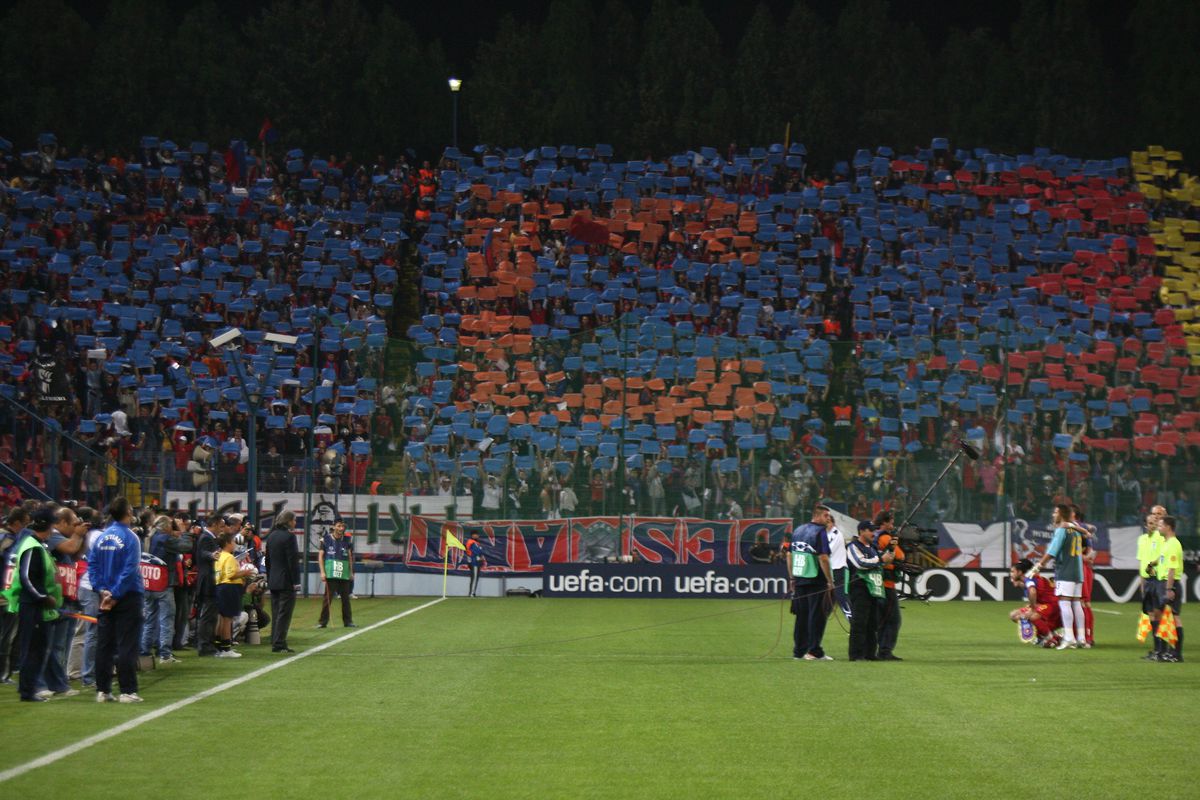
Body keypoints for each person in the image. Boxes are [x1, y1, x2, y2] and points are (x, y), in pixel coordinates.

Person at [2, 506, 62, 701]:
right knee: (32, 649)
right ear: (47, 526)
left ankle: (29, 688)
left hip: (36, 605)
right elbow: (27, 577)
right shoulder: (32, 546)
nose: (53, 530)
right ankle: (27, 691)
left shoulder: (36, 544)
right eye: (52, 526)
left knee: (36, 648)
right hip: (32, 606)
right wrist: (43, 597)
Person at [89, 497, 145, 703]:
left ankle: (103, 690)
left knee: (105, 644)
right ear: (128, 512)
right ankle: (127, 690)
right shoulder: (131, 538)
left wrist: (102, 590)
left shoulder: (101, 537)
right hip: (127, 596)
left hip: (105, 597)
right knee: (126, 645)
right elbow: (130, 570)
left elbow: (92, 565)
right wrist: (116, 594)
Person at [1032, 504, 1086, 650]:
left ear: (1061, 514)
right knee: (1076, 603)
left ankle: (1069, 638)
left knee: (1064, 602)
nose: (1053, 515)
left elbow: (1052, 551)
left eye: (1055, 512)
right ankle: (1081, 638)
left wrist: (1038, 566)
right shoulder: (1074, 529)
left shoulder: (1062, 529)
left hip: (1066, 571)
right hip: (1078, 571)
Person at [788, 504, 835, 661]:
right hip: (816, 579)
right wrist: (830, 580)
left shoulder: (798, 530)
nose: (828, 519)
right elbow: (823, 558)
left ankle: (799, 651)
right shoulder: (820, 532)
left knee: (801, 617)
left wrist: (792, 577)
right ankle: (814, 651)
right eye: (826, 516)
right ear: (818, 515)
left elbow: (789, 555)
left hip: (800, 577)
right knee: (817, 616)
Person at [142, 515, 185, 664]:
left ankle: (144, 651)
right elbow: (185, 546)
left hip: (148, 582)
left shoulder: (149, 537)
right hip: (163, 583)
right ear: (167, 527)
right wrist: (182, 531)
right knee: (166, 618)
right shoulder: (165, 539)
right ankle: (165, 654)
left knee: (149, 619)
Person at [846, 520, 891, 661]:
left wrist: (888, 557)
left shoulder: (873, 547)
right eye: (871, 530)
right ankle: (856, 654)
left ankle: (870, 653)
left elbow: (879, 564)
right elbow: (860, 563)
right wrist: (880, 560)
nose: (874, 533)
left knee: (872, 623)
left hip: (873, 588)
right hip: (859, 588)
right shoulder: (853, 546)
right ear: (861, 531)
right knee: (859, 622)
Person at [0, 507, 32, 686]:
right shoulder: (9, 540)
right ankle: (3, 674)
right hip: (7, 594)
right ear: (18, 523)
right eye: (26, 523)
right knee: (7, 636)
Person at [213, 531, 254, 657]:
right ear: (227, 543)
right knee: (227, 619)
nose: (234, 544)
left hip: (220, 587)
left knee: (221, 618)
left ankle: (219, 646)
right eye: (233, 542)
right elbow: (231, 575)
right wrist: (245, 572)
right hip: (229, 588)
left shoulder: (219, 556)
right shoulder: (229, 557)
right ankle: (226, 648)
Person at [265, 510, 300, 653]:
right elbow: (292, 561)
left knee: (276, 612)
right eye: (294, 520)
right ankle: (279, 643)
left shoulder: (271, 536)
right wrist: (296, 581)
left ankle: (276, 640)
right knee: (284, 613)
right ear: (289, 521)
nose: (295, 523)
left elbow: (267, 560)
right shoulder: (289, 537)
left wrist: (269, 577)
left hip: (274, 579)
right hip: (286, 580)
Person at [872, 510, 905, 661]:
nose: (892, 525)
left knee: (879, 619)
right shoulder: (885, 537)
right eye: (891, 522)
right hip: (887, 583)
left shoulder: (873, 536)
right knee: (893, 619)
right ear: (884, 522)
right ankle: (885, 651)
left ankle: (875, 649)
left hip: (874, 583)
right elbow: (900, 556)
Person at [1009, 558, 1062, 647]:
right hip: (1045, 605)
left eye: (1012, 571)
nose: (1010, 574)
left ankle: (1049, 638)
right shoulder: (1028, 579)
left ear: (1020, 572)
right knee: (1014, 615)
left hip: (1053, 606)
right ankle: (1048, 634)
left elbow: (1032, 591)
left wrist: (1033, 609)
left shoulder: (1029, 579)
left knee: (1031, 615)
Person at [1154, 515, 1185, 662]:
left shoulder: (1173, 544)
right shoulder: (1167, 543)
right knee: (1168, 619)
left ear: (1168, 527)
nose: (1158, 527)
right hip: (1165, 583)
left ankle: (1177, 654)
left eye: (1160, 525)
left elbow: (1172, 569)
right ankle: (1170, 651)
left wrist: (1169, 589)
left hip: (1171, 585)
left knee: (1175, 618)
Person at [1136, 510, 1165, 659]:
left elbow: (1162, 558)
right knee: (1152, 615)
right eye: (1150, 523)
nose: (1153, 525)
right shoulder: (1141, 539)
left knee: (1158, 613)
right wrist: (1142, 583)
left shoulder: (1160, 538)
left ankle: (1162, 649)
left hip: (1156, 579)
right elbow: (1141, 562)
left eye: (1155, 522)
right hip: (1147, 580)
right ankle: (1156, 649)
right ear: (1146, 525)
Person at [317, 519, 355, 628]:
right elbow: (320, 557)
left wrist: (351, 572)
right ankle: (322, 622)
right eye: (339, 526)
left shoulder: (347, 540)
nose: (341, 528)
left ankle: (348, 622)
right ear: (333, 527)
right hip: (331, 573)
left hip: (343, 573)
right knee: (327, 598)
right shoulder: (326, 539)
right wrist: (322, 572)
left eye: (342, 526)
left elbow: (349, 557)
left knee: (345, 599)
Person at [192, 517, 220, 656]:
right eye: (220, 525)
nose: (221, 529)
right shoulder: (205, 538)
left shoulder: (208, 538)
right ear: (214, 524)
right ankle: (204, 645)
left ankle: (208, 644)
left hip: (209, 581)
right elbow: (203, 553)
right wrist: (212, 555)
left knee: (210, 615)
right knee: (207, 615)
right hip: (208, 581)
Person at [827, 513, 851, 622]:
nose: (826, 524)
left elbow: (827, 552)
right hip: (830, 571)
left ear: (833, 523)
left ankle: (854, 624)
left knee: (843, 599)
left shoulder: (836, 534)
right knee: (826, 602)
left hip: (839, 570)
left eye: (828, 522)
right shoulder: (825, 534)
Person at [465, 533, 485, 597]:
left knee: (475, 578)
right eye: (475, 535)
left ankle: (472, 592)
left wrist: (481, 557)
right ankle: (472, 593)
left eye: (477, 535)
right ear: (472, 535)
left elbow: (478, 552)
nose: (477, 536)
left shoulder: (476, 543)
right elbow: (475, 552)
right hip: (474, 562)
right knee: (474, 578)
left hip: (475, 562)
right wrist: (480, 557)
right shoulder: (472, 542)